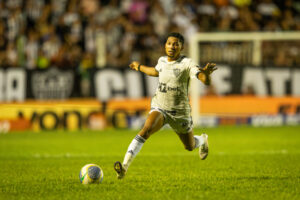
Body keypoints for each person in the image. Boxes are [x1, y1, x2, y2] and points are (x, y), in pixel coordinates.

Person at [114, 32, 217, 179]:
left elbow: (203, 79)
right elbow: (156, 72)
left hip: (180, 113)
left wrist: (206, 75)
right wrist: (139, 67)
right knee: (146, 130)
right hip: (160, 107)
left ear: (181, 47)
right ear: (165, 45)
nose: (172, 46)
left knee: (189, 146)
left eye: (176, 44)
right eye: (169, 43)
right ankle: (124, 167)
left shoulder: (187, 63)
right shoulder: (162, 60)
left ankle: (202, 139)